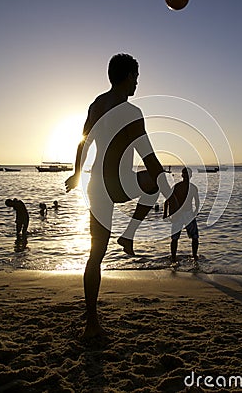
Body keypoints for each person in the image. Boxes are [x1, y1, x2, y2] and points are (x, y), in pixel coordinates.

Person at [65, 53, 174, 339]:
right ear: (127, 77)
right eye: (136, 77)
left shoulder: (97, 104)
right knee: (152, 181)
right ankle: (129, 234)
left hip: (97, 185)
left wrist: (77, 174)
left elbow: (82, 143)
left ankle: (91, 322)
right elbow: (150, 159)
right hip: (120, 184)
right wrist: (170, 195)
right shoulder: (131, 112)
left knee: (95, 256)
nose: (137, 83)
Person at [163, 167, 200, 265]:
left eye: (188, 174)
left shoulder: (193, 188)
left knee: (195, 237)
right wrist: (165, 214)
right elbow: (167, 201)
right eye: (185, 174)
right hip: (178, 214)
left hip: (188, 214)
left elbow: (197, 202)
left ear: (191, 176)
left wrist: (195, 212)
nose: (187, 176)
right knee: (175, 238)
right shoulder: (177, 187)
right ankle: (174, 258)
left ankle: (194, 256)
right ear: (182, 175)